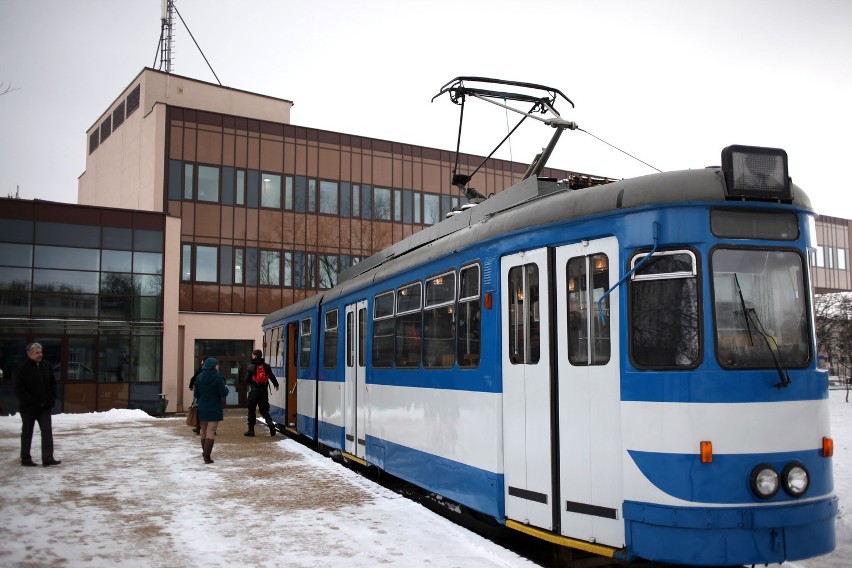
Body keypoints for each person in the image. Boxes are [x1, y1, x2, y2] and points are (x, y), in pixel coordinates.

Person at [13, 343, 61, 467]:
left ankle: (48, 458)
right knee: (27, 432)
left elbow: (52, 384)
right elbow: (19, 389)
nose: (40, 354)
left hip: (44, 407)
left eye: (41, 352)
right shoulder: (22, 368)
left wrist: (51, 399)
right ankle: (25, 458)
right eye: (37, 352)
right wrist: (29, 402)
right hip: (29, 408)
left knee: (47, 432)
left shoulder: (46, 366)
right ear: (29, 354)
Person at [192, 357, 229, 464]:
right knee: (211, 431)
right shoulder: (218, 377)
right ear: (213, 366)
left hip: (202, 406)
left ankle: (205, 453)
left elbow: (196, 394)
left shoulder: (199, 376)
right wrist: (226, 388)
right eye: (217, 364)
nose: (218, 366)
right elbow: (223, 393)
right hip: (214, 407)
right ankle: (207, 457)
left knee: (203, 431)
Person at [244, 349, 279, 437]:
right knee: (264, 410)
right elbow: (271, 376)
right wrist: (276, 384)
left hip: (254, 392)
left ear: (255, 356)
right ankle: (270, 424)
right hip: (263, 392)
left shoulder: (251, 367)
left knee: (251, 410)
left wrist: (251, 382)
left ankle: (251, 431)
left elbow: (246, 380)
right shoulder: (266, 366)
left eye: (253, 355)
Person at [187, 357, 204, 435]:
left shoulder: (201, 371)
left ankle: (198, 427)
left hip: (200, 395)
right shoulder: (214, 372)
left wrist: (191, 386)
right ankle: (211, 429)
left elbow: (194, 378)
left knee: (198, 410)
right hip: (208, 396)